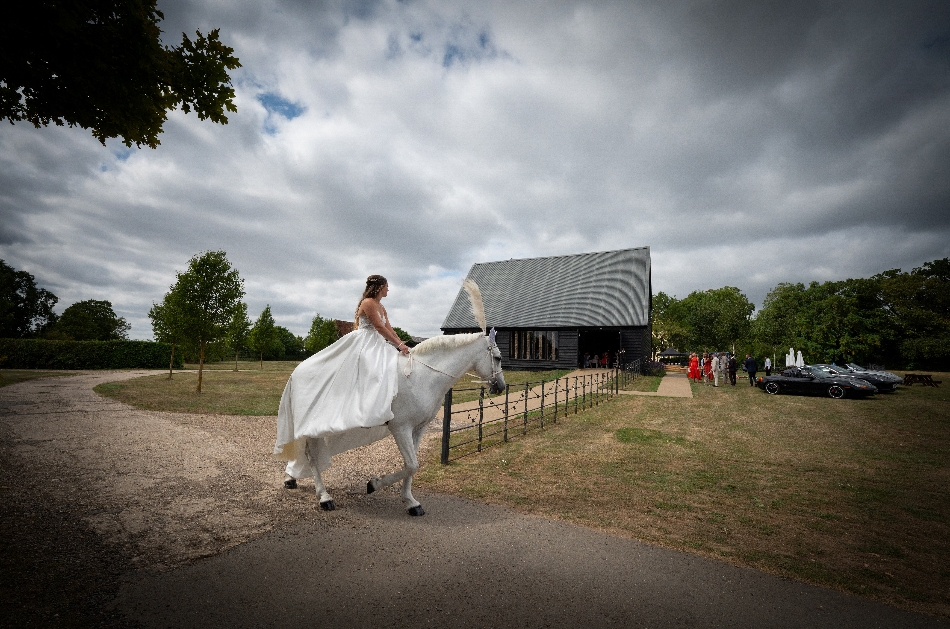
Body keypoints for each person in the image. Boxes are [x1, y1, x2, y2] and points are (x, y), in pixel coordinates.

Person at [274, 275, 410, 487]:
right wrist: (398, 345)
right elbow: (379, 328)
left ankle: (378, 407)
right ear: (379, 287)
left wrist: (401, 344)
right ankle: (365, 404)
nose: (388, 290)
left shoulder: (382, 307)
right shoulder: (368, 303)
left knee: (390, 368)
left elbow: (389, 328)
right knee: (374, 369)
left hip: (377, 344)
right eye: (386, 287)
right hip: (364, 344)